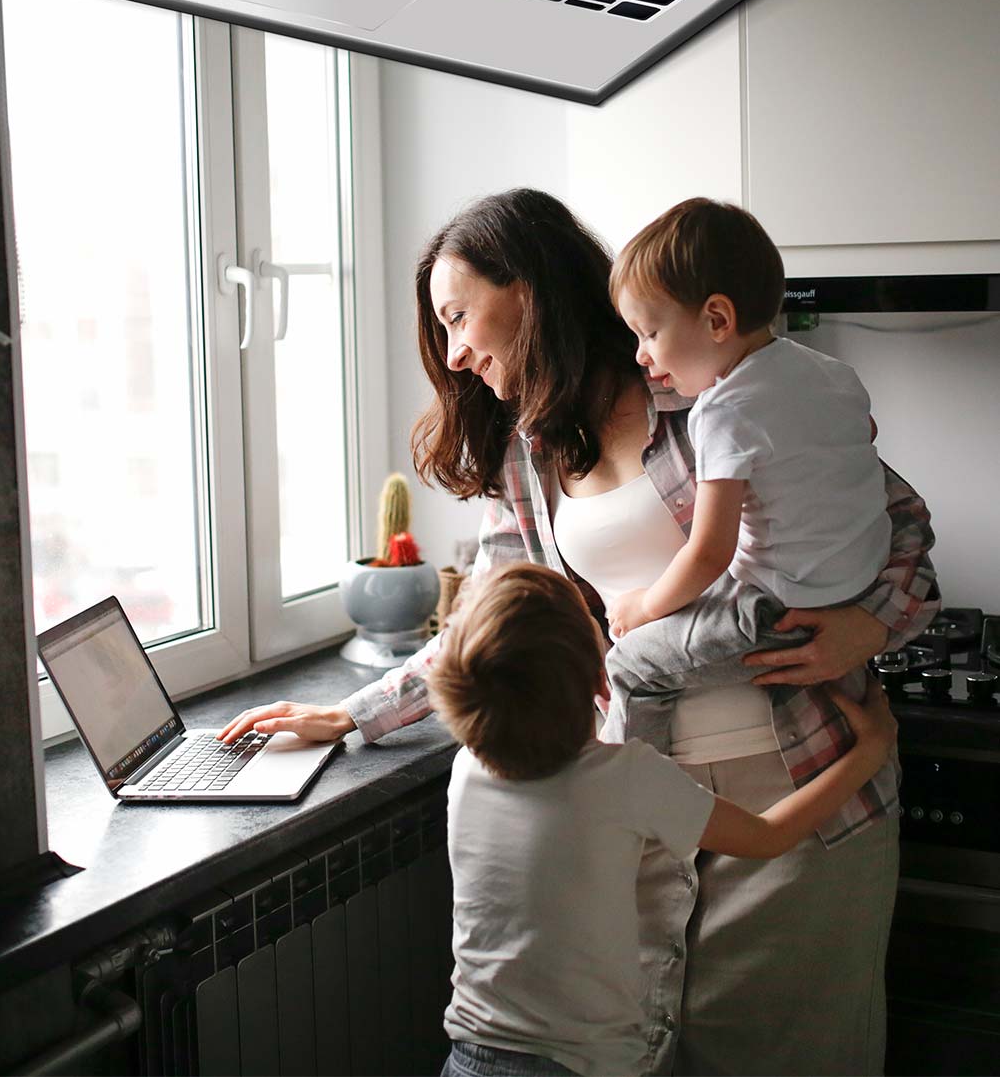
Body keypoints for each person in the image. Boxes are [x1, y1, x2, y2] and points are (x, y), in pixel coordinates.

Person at [218, 188, 939, 1076]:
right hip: (634, 795)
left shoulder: (710, 379)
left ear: (526, 289)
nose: (453, 350)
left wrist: (866, 628)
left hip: (796, 769)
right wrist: (355, 715)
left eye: (457, 316)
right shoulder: (532, 450)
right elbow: (494, 614)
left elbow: (900, 526)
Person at [431, 561, 897, 1077]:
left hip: (470, 1056)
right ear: (596, 675)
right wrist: (869, 752)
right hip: (586, 1066)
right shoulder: (624, 777)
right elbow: (768, 835)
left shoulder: (465, 771)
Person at [600, 197, 891, 756]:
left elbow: (710, 553)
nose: (640, 355)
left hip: (779, 611)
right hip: (859, 586)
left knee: (629, 667)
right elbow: (865, 440)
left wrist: (643, 608)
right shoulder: (835, 375)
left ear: (716, 320)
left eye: (649, 333)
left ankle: (627, 795)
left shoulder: (723, 410)